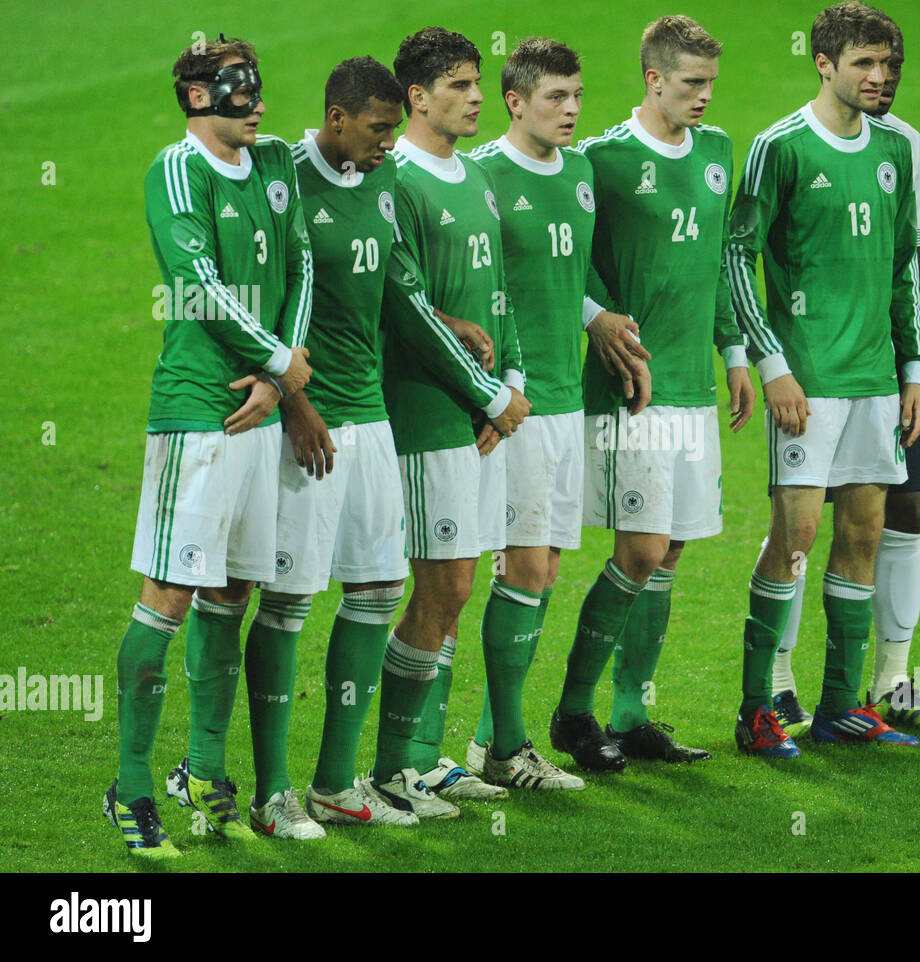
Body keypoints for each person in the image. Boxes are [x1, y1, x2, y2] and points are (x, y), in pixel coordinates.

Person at [105, 35, 313, 857]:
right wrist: (274, 362)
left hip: (258, 415)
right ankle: (127, 790)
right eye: (238, 90)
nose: (256, 103)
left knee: (232, 593)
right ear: (197, 97)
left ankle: (201, 768)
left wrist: (280, 381)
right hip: (196, 413)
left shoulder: (273, 169)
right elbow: (196, 283)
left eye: (257, 88)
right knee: (170, 596)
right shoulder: (176, 170)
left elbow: (301, 275)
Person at [549, 14, 755, 772]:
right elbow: (562, 258)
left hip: (693, 388)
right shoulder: (599, 159)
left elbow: (713, 266)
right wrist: (594, 320)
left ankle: (633, 714)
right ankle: (574, 712)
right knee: (636, 550)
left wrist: (735, 351)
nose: (704, 97)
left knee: (668, 551)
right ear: (653, 79)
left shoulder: (717, 152)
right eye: (691, 83)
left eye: (710, 83)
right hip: (629, 390)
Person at [727, 2, 920, 757]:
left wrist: (915, 370)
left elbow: (902, 269)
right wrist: (771, 365)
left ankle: (843, 705)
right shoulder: (779, 148)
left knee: (865, 533)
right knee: (798, 534)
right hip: (807, 385)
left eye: (890, 67)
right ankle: (758, 709)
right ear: (824, 64)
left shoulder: (896, 150)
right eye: (864, 65)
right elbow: (735, 259)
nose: (880, 79)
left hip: (877, 379)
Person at [236, 57, 431, 838]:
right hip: (305, 420)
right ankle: (271, 790)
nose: (390, 142)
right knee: (287, 601)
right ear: (337, 117)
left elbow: (391, 287)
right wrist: (295, 401)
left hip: (371, 414)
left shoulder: (382, 181)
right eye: (379, 128)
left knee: (379, 589)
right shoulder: (280, 173)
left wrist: (446, 326)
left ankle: (333, 782)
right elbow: (261, 295)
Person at [465, 38, 651, 788]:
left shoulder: (577, 172)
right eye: (555, 98)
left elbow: (560, 271)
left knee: (542, 571)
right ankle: (504, 748)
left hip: (566, 401)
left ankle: (491, 740)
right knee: (524, 566)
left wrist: (597, 314)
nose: (571, 111)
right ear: (516, 101)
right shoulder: (480, 175)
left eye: (577, 96)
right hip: (512, 402)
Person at [365, 25, 539, 816]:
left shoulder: (476, 175)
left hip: (481, 413)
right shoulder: (395, 180)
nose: (475, 98)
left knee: (457, 587)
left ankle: (421, 761)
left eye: (477, 85)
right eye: (461, 87)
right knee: (439, 585)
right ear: (417, 97)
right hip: (429, 414)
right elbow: (404, 311)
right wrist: (489, 395)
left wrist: (514, 379)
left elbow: (505, 294)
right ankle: (390, 766)